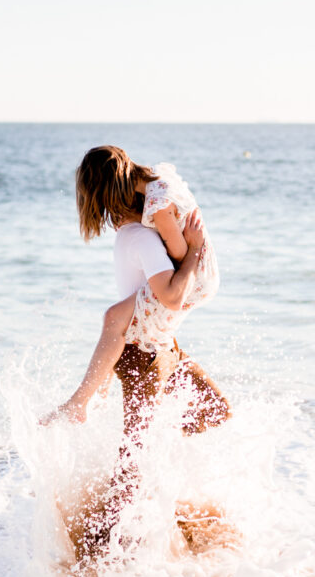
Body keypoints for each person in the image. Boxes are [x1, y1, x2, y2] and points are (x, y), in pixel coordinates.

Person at [48, 145, 231, 562]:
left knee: (210, 412)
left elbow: (164, 293)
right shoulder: (142, 237)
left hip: (162, 347)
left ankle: (163, 513)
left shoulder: (143, 229)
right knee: (133, 462)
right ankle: (99, 553)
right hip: (143, 357)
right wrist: (195, 253)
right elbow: (168, 295)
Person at [48, 156, 220, 425]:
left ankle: (81, 402)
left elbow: (174, 291)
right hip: (152, 348)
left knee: (114, 318)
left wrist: (193, 250)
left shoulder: (148, 222)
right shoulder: (158, 190)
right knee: (213, 414)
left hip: (156, 342)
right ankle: (87, 399)